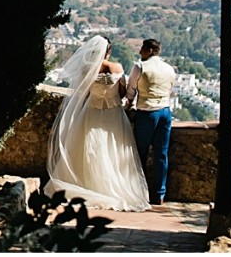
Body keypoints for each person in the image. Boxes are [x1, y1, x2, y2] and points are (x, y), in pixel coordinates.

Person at [44, 35, 150, 211]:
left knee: (89, 149)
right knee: (114, 148)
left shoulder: (87, 69)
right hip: (113, 112)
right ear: (108, 51)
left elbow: (82, 93)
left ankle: (88, 186)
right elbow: (122, 92)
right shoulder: (116, 67)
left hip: (91, 111)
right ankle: (111, 189)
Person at [125, 38, 176, 205]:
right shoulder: (169, 69)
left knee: (141, 151)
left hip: (147, 112)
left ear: (150, 51)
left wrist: (129, 103)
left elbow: (131, 89)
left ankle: (140, 190)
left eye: (143, 49)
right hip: (165, 111)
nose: (140, 52)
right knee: (162, 153)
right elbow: (170, 90)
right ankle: (160, 193)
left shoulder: (140, 66)